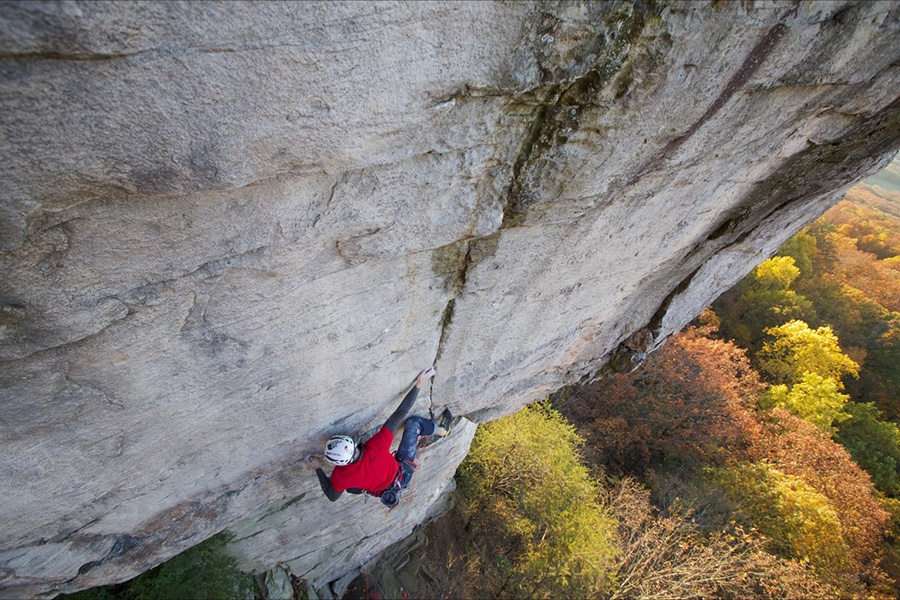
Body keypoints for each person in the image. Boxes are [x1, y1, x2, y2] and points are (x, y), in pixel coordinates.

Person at [304, 367, 453, 508]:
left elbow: (332, 496)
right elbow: (399, 414)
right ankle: (441, 430)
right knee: (414, 423)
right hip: (402, 472)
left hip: (388, 488)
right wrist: (418, 385)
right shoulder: (376, 446)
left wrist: (317, 468)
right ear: (352, 444)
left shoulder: (340, 476)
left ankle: (440, 431)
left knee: (351, 487)